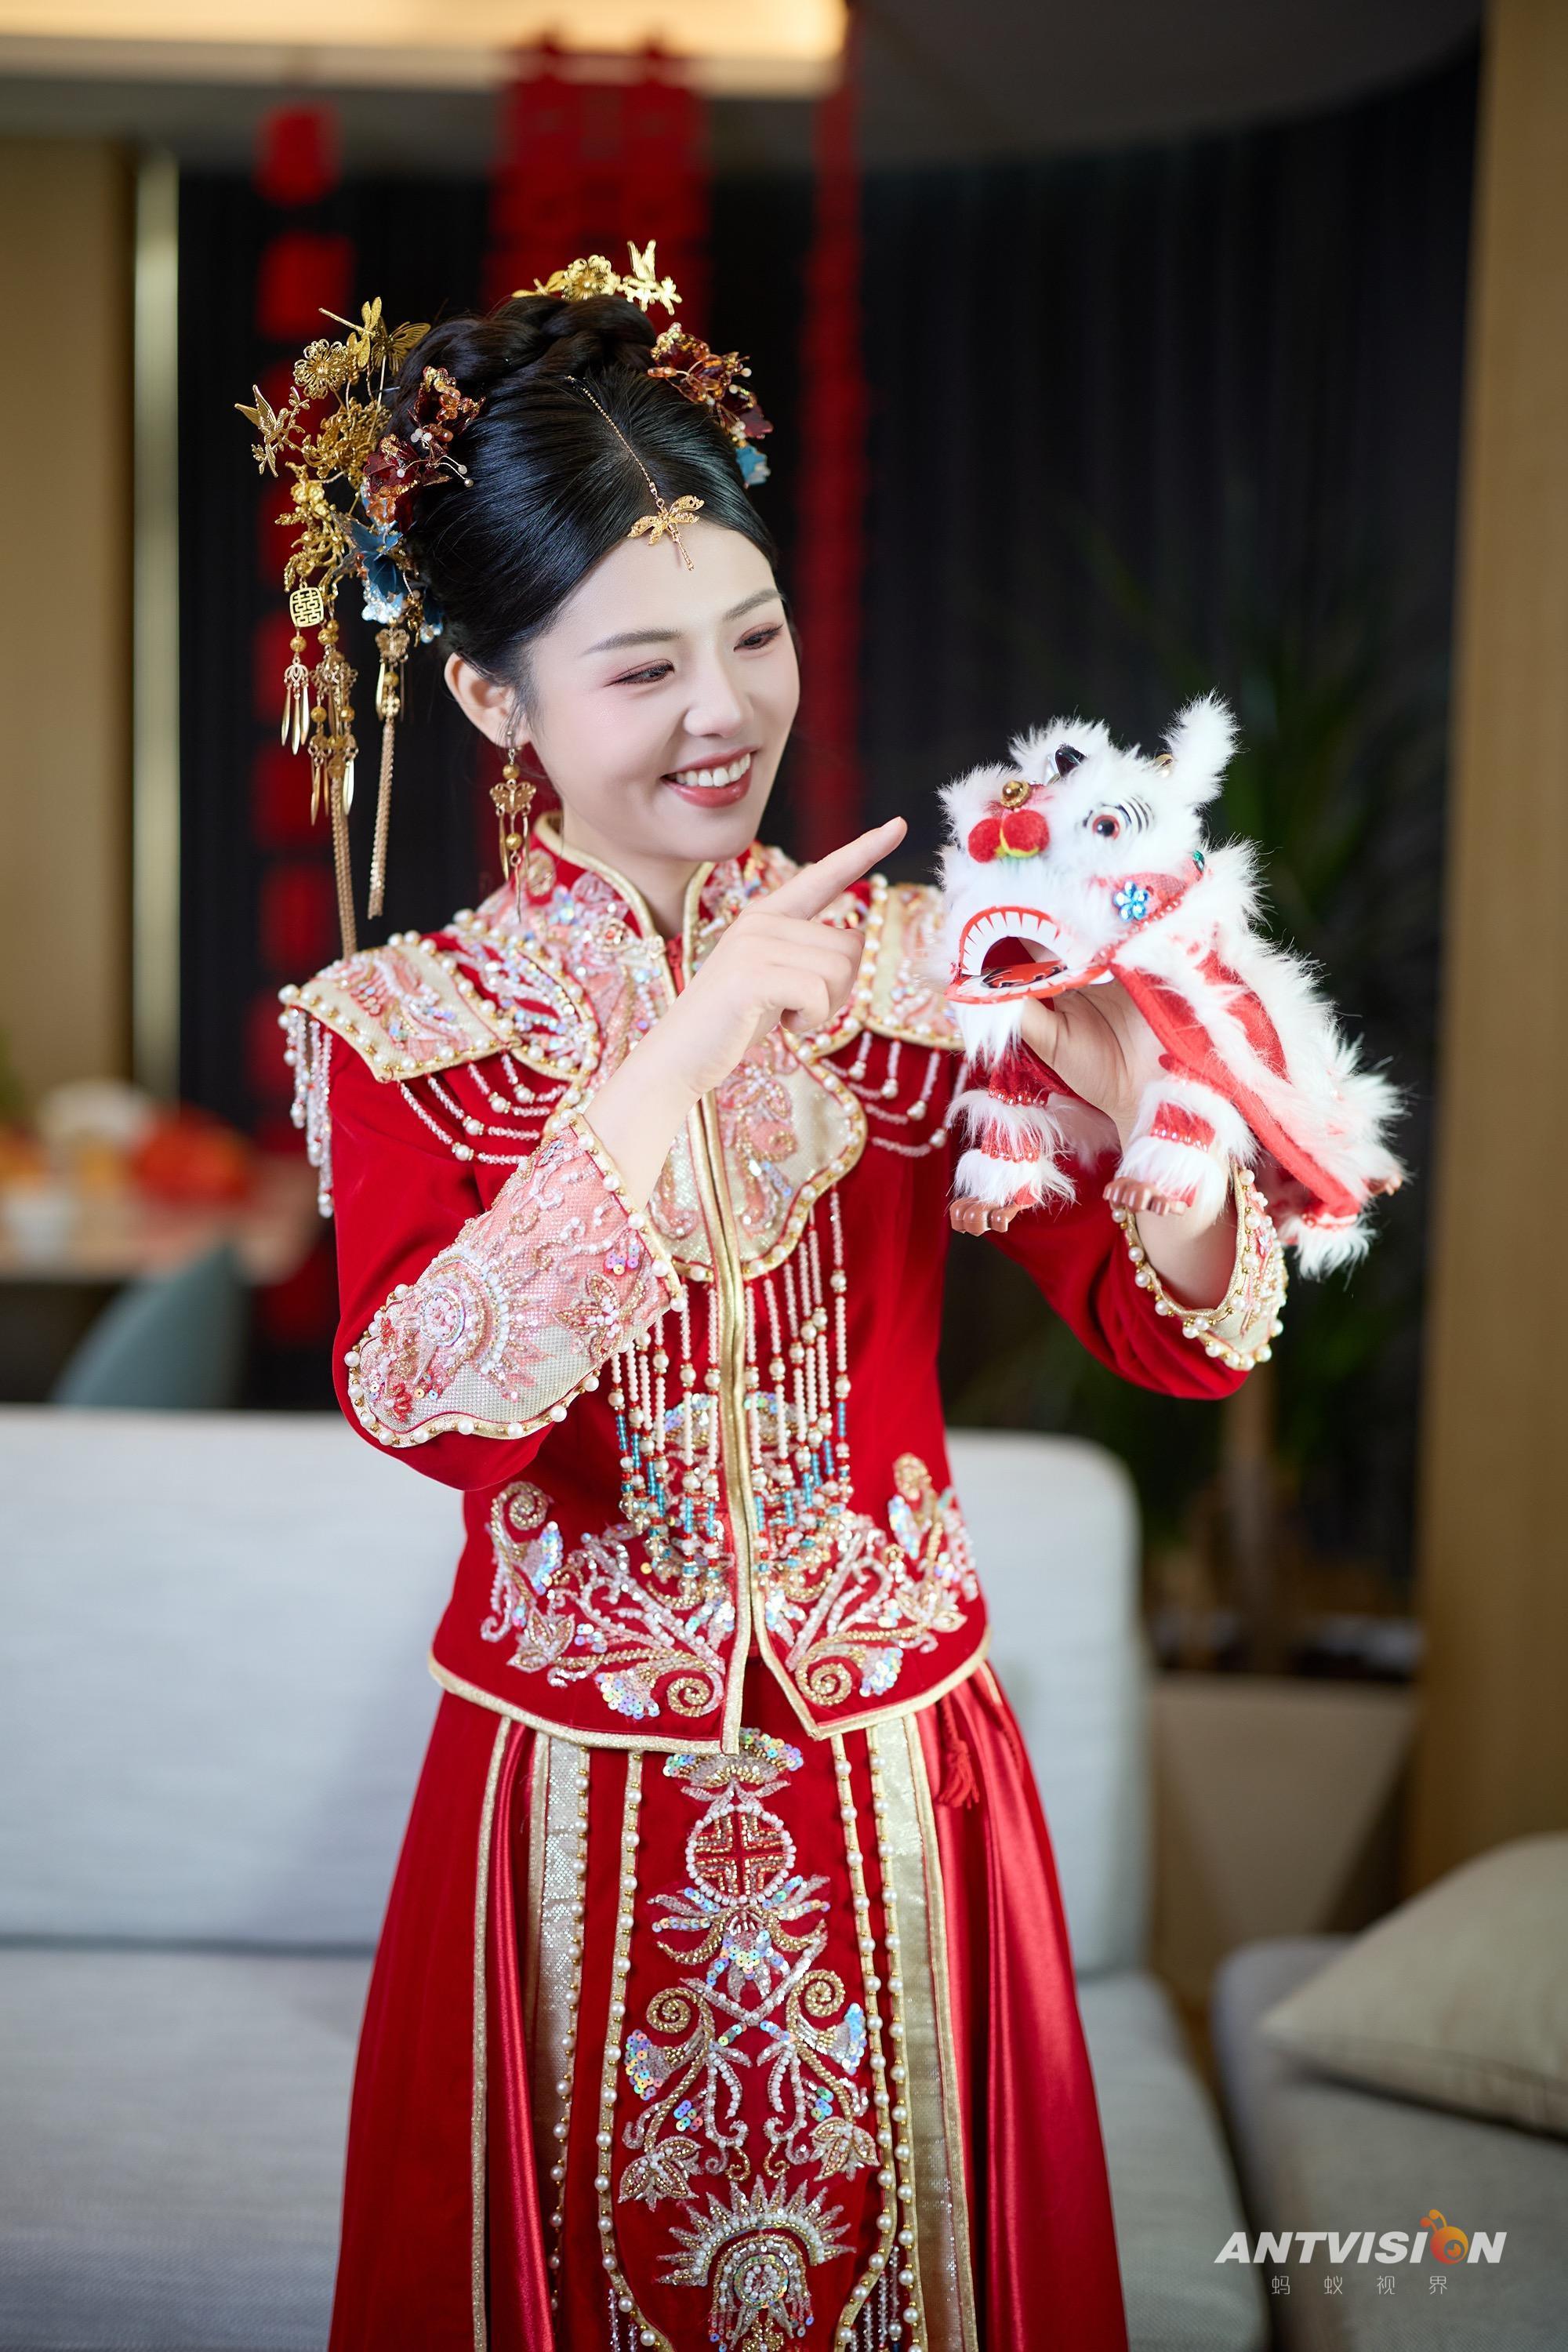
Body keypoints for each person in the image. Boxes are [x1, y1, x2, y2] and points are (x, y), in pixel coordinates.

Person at [273, 253, 1285, 2352]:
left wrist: (1163, 1121)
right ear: (493, 702)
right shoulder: (404, 1033)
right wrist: (692, 1039)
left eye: (754, 635)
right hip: (568, 1791)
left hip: (905, 1777)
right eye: (641, 669)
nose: (725, 711)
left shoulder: (924, 967)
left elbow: (1171, 1330)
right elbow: (434, 1402)